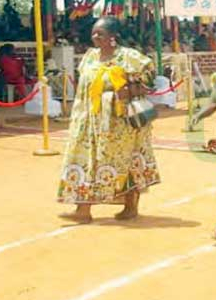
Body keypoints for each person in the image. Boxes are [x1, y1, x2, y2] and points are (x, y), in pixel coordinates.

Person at [56, 17, 160, 224]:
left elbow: (150, 79)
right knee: (85, 159)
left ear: (113, 37)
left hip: (120, 123)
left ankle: (130, 205)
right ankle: (82, 209)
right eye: (94, 33)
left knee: (126, 161)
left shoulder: (129, 57)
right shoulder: (90, 56)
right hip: (89, 120)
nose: (95, 37)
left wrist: (128, 89)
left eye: (100, 34)